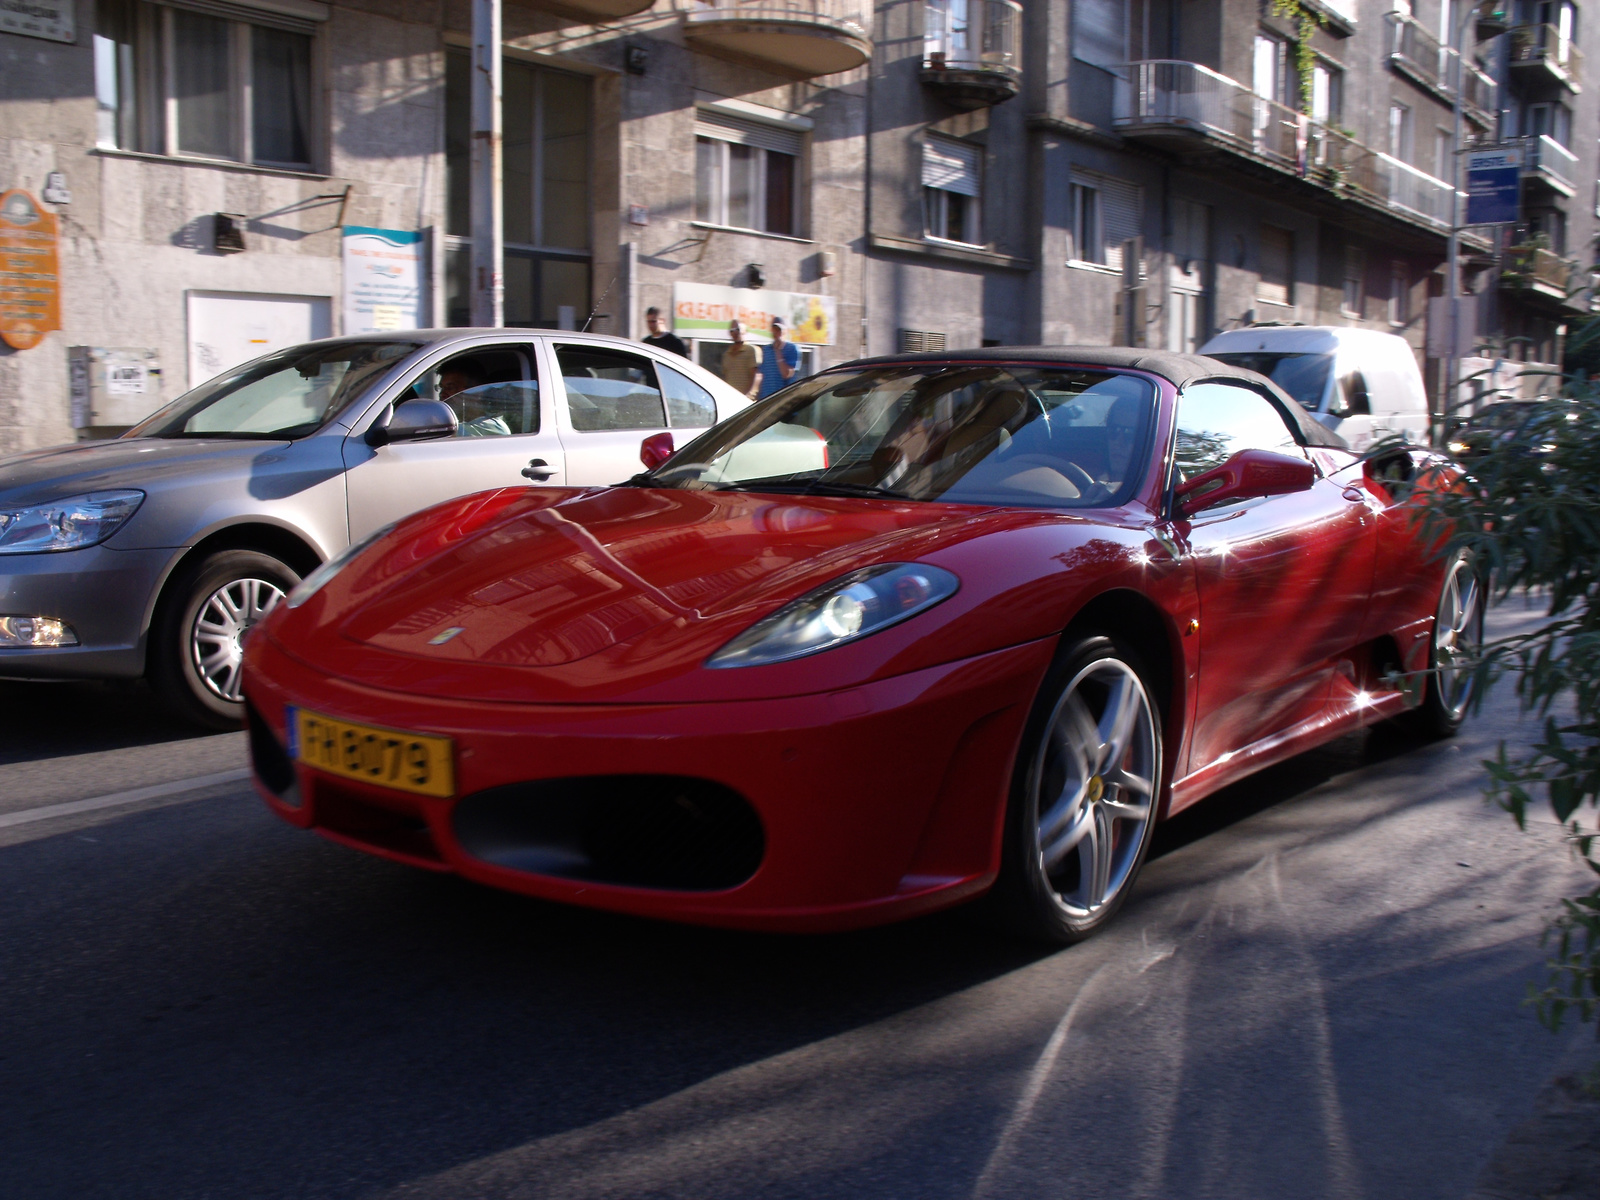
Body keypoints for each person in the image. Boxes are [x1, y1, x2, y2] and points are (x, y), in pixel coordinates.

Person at [438, 358, 511, 437]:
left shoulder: (494, 427)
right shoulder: (457, 424)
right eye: (441, 388)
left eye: (450, 387)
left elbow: (442, 433)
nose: (442, 394)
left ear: (476, 391)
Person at [758, 316, 800, 398]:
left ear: (785, 331)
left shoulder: (792, 348)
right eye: (774, 329)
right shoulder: (766, 350)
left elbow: (787, 374)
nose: (777, 332)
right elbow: (762, 376)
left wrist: (778, 351)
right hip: (766, 399)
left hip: (783, 399)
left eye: (779, 330)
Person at [719, 319, 761, 400]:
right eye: (732, 331)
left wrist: (747, 395)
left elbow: (756, 376)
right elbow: (726, 377)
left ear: (745, 331)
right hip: (730, 399)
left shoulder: (752, 350)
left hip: (747, 400)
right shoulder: (726, 354)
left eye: (738, 329)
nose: (735, 333)